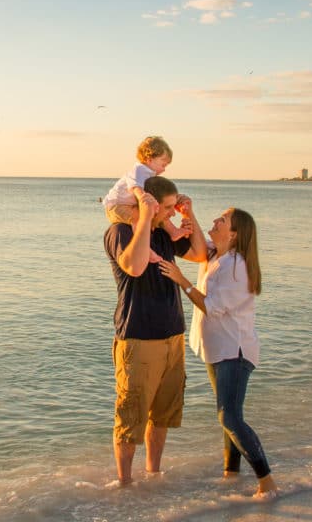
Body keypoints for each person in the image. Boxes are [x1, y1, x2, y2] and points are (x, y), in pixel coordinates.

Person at [158, 208, 279, 499]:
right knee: (228, 415)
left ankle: (267, 480)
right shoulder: (216, 254)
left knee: (229, 417)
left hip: (234, 352)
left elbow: (211, 306)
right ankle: (231, 473)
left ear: (234, 234)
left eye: (221, 221)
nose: (215, 222)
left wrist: (181, 280)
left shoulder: (237, 267)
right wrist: (185, 214)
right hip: (217, 348)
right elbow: (195, 249)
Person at [104, 176, 207, 485]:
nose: (171, 213)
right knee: (130, 416)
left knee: (161, 415)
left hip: (172, 336)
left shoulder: (164, 233)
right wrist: (148, 218)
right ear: (147, 204)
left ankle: (154, 476)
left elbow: (200, 253)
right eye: (167, 208)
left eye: (173, 207)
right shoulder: (120, 232)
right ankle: (124, 485)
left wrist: (190, 216)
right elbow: (134, 267)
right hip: (138, 336)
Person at [102, 137, 190, 264]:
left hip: (128, 204)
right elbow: (134, 187)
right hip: (116, 206)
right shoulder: (139, 170)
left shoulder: (149, 174)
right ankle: (146, 250)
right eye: (163, 164)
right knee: (139, 219)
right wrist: (143, 197)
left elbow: (158, 194)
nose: (164, 169)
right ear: (150, 159)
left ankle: (173, 232)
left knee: (158, 210)